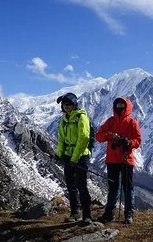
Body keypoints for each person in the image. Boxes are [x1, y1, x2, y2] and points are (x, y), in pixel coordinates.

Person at [96, 97, 141, 224]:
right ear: (114, 106)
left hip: (126, 159)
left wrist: (129, 142)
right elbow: (98, 137)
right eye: (118, 104)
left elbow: (138, 141)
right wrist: (110, 135)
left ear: (127, 107)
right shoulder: (109, 122)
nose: (120, 106)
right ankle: (110, 214)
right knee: (113, 187)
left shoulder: (132, 123)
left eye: (122, 104)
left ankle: (128, 214)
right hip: (112, 160)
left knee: (127, 187)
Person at [55, 92, 92, 225]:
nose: (66, 106)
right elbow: (61, 140)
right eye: (64, 104)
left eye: (69, 104)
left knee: (82, 186)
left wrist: (74, 158)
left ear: (74, 104)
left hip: (81, 156)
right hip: (69, 157)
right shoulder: (63, 121)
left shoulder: (81, 118)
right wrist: (60, 154)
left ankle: (87, 215)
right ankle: (75, 213)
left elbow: (84, 139)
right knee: (71, 186)